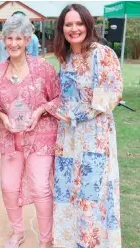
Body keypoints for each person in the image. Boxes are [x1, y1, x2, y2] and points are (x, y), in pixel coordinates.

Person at [0, 14, 60, 248]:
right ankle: (17, 233)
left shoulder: (43, 68)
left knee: (40, 186)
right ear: (3, 40)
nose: (14, 43)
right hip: (11, 139)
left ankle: (46, 239)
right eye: (9, 38)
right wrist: (2, 116)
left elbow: (59, 98)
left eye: (19, 38)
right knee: (8, 186)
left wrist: (40, 111)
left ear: (28, 40)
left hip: (41, 138)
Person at [53, 4, 122, 248]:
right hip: (68, 140)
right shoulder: (65, 58)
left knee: (92, 197)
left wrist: (73, 114)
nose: (74, 29)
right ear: (62, 29)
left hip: (95, 138)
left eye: (79, 23)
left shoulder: (103, 54)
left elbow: (111, 95)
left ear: (88, 25)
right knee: (67, 193)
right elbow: (64, 97)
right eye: (68, 24)